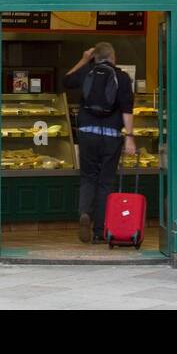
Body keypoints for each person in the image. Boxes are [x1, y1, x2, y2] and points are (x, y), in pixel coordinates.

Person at [62, 42, 135, 244]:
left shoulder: (87, 71)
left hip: (87, 134)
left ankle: (84, 212)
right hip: (111, 136)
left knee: (88, 178)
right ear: (113, 57)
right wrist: (130, 137)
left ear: (95, 57)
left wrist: (83, 60)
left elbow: (66, 81)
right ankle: (99, 230)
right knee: (105, 182)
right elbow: (127, 110)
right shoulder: (121, 77)